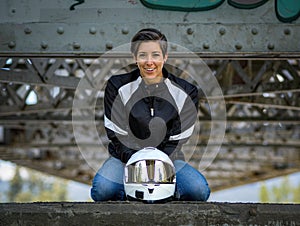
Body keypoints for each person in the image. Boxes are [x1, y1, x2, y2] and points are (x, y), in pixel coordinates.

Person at [91, 28, 210, 201]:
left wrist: (155, 167)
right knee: (103, 190)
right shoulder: (117, 86)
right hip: (125, 158)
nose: (149, 62)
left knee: (198, 191)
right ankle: (130, 195)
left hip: (169, 159)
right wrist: (139, 165)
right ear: (134, 58)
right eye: (142, 55)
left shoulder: (186, 92)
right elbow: (117, 135)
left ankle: (165, 196)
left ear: (165, 56)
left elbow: (177, 140)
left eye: (155, 55)